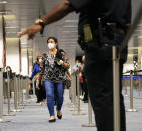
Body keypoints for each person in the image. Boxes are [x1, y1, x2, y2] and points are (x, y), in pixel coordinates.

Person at [18, 0, 131, 130]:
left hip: (100, 46)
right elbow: (127, 24)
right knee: (114, 98)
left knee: (102, 99)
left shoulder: (61, 53)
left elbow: (67, 4)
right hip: (117, 46)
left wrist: (41, 23)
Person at [39, 37, 70, 122]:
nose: (50, 44)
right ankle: (52, 115)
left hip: (60, 79)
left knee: (60, 96)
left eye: (52, 42)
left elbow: (68, 66)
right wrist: (41, 77)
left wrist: (62, 63)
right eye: (48, 42)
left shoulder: (61, 53)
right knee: (49, 95)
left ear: (56, 43)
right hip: (48, 79)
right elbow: (42, 67)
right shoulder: (45, 55)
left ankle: (58, 109)